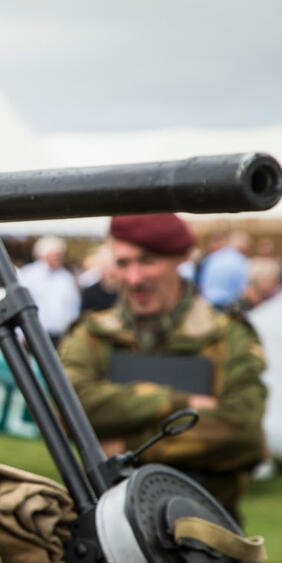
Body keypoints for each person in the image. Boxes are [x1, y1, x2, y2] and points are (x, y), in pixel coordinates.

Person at [59, 214, 267, 522]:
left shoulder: (225, 336)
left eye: (147, 261)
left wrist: (128, 447)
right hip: (108, 527)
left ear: (181, 258)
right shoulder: (92, 335)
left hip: (208, 528)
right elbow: (68, 407)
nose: (134, 278)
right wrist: (176, 403)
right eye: (123, 263)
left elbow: (243, 433)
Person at [17, 236, 80, 346]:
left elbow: (73, 306)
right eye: (55, 254)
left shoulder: (66, 277)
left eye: (60, 255)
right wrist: (21, 334)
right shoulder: (28, 275)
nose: (58, 258)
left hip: (60, 336)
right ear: (43, 254)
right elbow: (19, 304)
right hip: (35, 334)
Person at [198, 230, 250, 308]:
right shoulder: (240, 260)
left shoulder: (211, 258)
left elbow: (202, 283)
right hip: (229, 306)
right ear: (243, 248)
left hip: (208, 303)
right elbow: (244, 287)